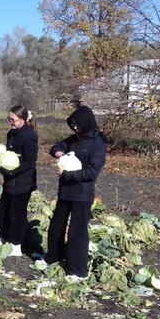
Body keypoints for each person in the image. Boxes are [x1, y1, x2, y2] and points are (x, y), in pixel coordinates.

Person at [45, 105, 106, 281]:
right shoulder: (74, 139)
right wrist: (57, 152)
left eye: (78, 124)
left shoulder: (97, 144)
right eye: (73, 125)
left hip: (82, 194)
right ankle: (53, 257)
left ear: (87, 123)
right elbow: (56, 146)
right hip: (65, 192)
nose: (75, 128)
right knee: (56, 225)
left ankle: (77, 271)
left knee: (77, 232)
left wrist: (68, 174)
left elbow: (91, 172)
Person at [0, 105, 38, 257]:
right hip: (10, 180)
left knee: (17, 214)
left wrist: (13, 171)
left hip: (23, 181)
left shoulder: (29, 136)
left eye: (13, 120)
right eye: (9, 119)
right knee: (4, 210)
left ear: (22, 120)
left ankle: (16, 245)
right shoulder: (11, 134)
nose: (10, 122)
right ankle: (4, 237)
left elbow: (30, 162)